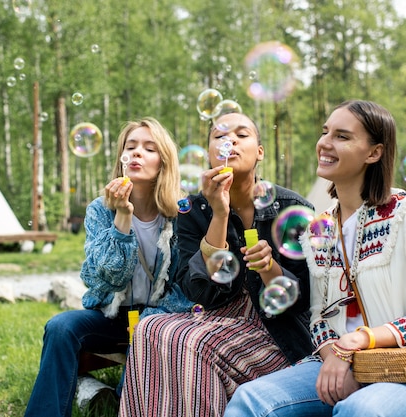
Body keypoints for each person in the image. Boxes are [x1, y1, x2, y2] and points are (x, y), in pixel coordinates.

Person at [224, 100, 406, 416]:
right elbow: (319, 318)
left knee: (362, 410)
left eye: (342, 136)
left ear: (374, 153)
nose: (325, 143)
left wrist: (354, 343)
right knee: (250, 401)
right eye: (325, 132)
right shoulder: (318, 230)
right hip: (344, 362)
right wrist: (335, 359)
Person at [119, 111, 315, 417]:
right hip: (218, 318)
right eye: (220, 136)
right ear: (210, 153)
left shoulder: (292, 208)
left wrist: (269, 269)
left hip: (276, 332)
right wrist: (219, 213)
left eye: (242, 134)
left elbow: (305, 301)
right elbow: (200, 293)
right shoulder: (194, 210)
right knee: (148, 327)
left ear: (259, 152)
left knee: (189, 341)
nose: (230, 141)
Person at [23, 117, 193, 417]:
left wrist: (149, 320)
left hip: (159, 319)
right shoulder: (100, 209)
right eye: (131, 147)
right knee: (61, 327)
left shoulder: (178, 214)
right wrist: (122, 218)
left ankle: (121, 401)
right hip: (110, 315)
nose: (137, 153)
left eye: (149, 148)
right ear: (121, 158)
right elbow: (106, 278)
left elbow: (184, 287)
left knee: (145, 334)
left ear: (164, 162)